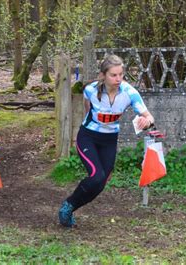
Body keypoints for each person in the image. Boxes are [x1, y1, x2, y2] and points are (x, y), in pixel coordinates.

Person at [58, 54, 154, 227]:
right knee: (96, 177)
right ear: (103, 75)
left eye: (121, 75)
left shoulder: (129, 93)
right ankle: (67, 206)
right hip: (88, 137)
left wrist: (146, 121)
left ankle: (71, 207)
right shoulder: (90, 90)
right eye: (113, 75)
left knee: (101, 183)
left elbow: (149, 117)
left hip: (109, 140)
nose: (118, 79)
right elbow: (87, 109)